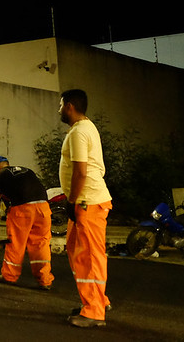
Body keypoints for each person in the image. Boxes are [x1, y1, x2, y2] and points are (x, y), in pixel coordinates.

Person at [59, 89, 113, 328]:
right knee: (76, 251)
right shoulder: (86, 128)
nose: (58, 109)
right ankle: (96, 300)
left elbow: (81, 171)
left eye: (60, 105)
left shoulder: (80, 132)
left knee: (89, 256)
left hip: (87, 201)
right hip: (86, 200)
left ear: (69, 106)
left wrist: (71, 201)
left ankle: (93, 311)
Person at [0, 156, 53, 290]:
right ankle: (45, 280)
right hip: (43, 208)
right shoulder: (26, 170)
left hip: (23, 210)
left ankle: (9, 276)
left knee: (15, 243)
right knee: (40, 243)